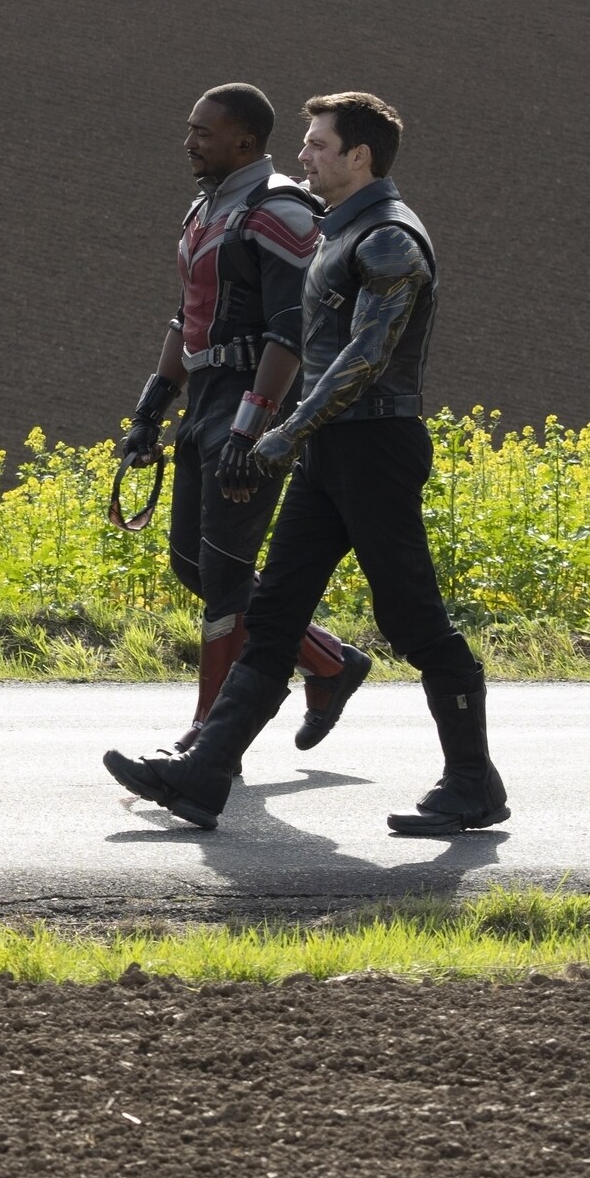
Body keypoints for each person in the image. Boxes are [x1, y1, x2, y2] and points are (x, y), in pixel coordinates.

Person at [106, 92, 506, 837]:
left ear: (359, 157)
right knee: (278, 615)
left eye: (318, 144)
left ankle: (473, 781)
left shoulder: (389, 239)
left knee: (412, 617)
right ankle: (204, 776)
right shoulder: (339, 232)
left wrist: (279, 436)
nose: (303, 155)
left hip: (375, 447)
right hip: (329, 445)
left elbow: (363, 357)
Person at [112, 84, 373, 753]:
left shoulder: (280, 210)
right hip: (206, 395)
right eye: (191, 128)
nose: (189, 141)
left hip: (256, 399)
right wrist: (149, 411)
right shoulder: (207, 207)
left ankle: (210, 734)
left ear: (244, 142)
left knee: (225, 571)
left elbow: (292, 329)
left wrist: (250, 429)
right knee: (192, 564)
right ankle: (327, 662)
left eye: (204, 131)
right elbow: (188, 317)